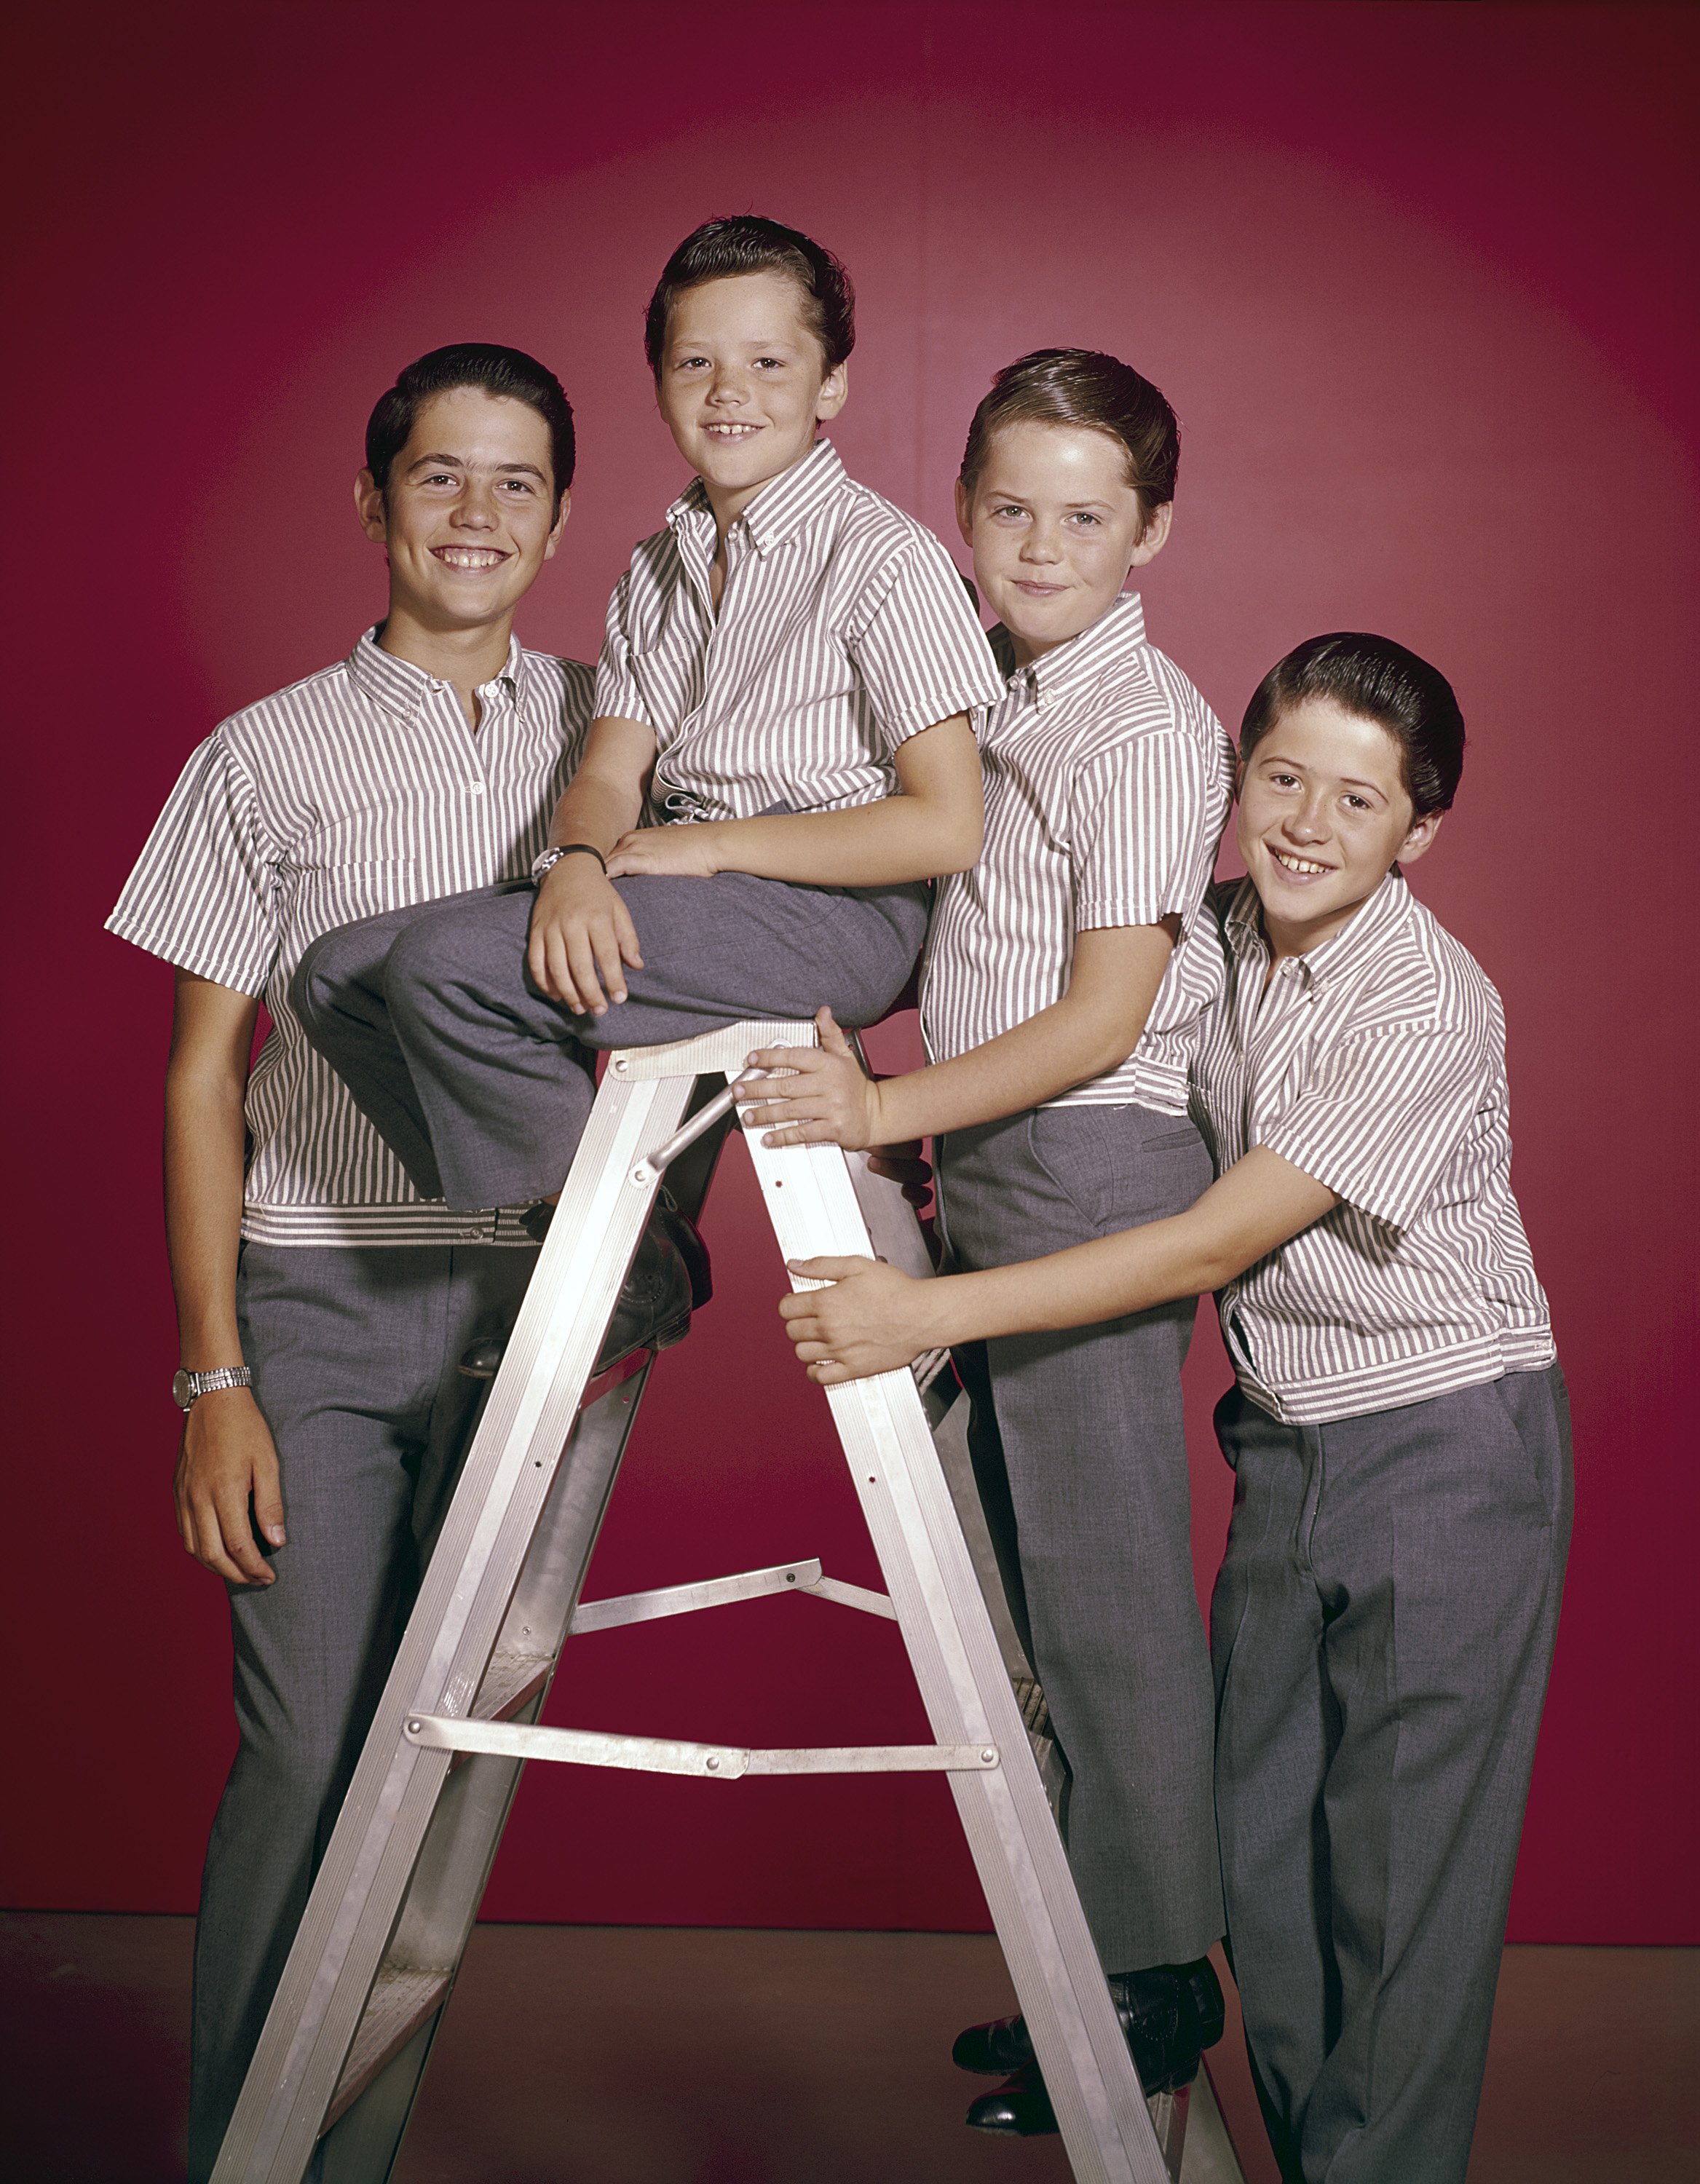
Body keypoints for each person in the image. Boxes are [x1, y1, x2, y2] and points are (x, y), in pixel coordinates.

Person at [777, 633, 1570, 2184]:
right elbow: (1057, 1014)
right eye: (1281, 778)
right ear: (1234, 779)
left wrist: (923, 1311)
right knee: (1261, 1871)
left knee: (1397, 1893)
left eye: (1357, 800)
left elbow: (1211, 1240)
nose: (1305, 824)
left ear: (1416, 834)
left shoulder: (1422, 1003)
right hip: (1282, 1445)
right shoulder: (1207, 939)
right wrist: (879, 1097)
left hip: (1445, 1447)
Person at [106, 343, 595, 2182]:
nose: (477, 515)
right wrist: (213, 1379)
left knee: (443, 1780)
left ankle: (348, 2159)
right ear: (375, 499)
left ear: (561, 514)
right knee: (313, 1749)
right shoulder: (261, 755)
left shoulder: (611, 735)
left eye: (518, 481)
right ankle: (239, 2157)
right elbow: (196, 1076)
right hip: (318, 1308)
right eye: (441, 477)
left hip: (535, 1313)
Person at [734, 347, 1236, 2134]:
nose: (1038, 545)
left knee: (1103, 1597)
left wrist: (878, 1114)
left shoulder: (1148, 726)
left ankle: (1161, 1980)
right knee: (1017, 1590)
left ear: (1149, 531)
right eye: (1008, 506)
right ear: (960, 508)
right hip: (993, 1156)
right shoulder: (986, 696)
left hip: (1092, 1159)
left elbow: (1107, 1015)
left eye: (1083, 515)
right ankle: (1079, 1968)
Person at [290, 215, 1001, 1231]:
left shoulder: (884, 558)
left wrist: (703, 848)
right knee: (335, 978)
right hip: (674, 876)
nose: (729, 391)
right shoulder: (659, 567)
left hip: (841, 911)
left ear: (830, 384)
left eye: (768, 361)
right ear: (661, 380)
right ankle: (593, 1232)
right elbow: (611, 770)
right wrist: (574, 861)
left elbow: (947, 825)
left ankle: (599, 1262)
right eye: (696, 361)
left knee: (445, 970)